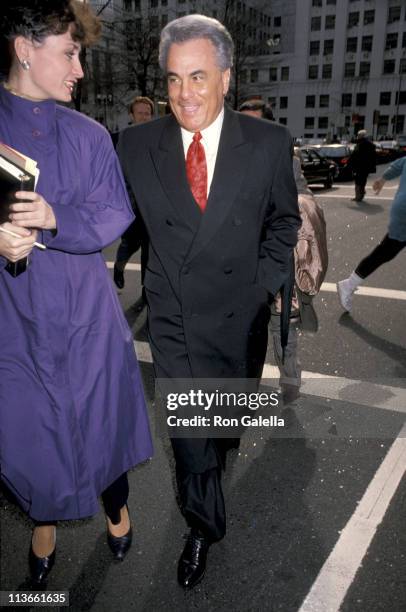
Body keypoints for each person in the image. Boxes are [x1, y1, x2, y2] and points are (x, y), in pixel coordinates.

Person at [118, 14, 301, 589]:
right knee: (192, 435)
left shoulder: (269, 143)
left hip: (238, 315)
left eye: (197, 77)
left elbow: (284, 222)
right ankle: (203, 526)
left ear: (225, 77)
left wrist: (260, 287)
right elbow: (104, 209)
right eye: (173, 80)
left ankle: (213, 467)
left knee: (223, 429)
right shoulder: (138, 142)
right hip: (173, 318)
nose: (183, 94)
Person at [0, 0, 153, 587]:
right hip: (15, 322)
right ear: (24, 49)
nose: (80, 70)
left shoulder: (88, 134)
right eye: (69, 53)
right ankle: (46, 523)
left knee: (100, 425)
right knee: (30, 435)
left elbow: (115, 211)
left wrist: (55, 217)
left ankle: (115, 506)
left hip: (86, 316)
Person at [240, 104, 328, 402]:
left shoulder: (287, 161)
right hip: (240, 260)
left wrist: (290, 212)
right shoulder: (226, 159)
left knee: (282, 325)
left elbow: (304, 197)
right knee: (246, 328)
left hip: (277, 255)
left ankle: (289, 380)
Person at [337, 156, 406, 312]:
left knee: (385, 252)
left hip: (401, 209)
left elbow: (396, 166)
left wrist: (382, 180)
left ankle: (349, 284)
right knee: (385, 252)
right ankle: (348, 284)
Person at [113, 96, 154, 290]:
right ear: (132, 115)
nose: (144, 117)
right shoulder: (126, 137)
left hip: (152, 205)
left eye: (147, 113)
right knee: (130, 244)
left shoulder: (158, 136)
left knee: (149, 248)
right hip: (131, 202)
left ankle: (147, 289)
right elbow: (120, 170)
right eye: (140, 113)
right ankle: (119, 268)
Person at [346, 129, 376, 202]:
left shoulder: (360, 144)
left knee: (358, 181)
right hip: (366, 166)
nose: (357, 136)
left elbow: (354, 155)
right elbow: (373, 156)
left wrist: (349, 162)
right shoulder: (371, 144)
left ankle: (358, 196)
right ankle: (361, 194)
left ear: (360, 136)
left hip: (359, 165)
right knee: (363, 180)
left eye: (358, 135)